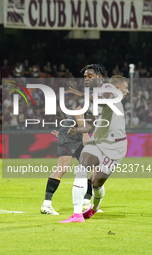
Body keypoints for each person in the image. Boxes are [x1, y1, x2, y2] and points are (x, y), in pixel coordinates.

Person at [60, 75, 129, 223]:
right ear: (117, 88)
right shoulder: (100, 98)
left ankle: (94, 208)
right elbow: (90, 125)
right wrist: (78, 130)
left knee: (97, 183)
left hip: (116, 146)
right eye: (126, 87)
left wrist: (82, 94)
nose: (127, 91)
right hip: (97, 141)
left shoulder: (113, 99)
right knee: (82, 168)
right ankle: (77, 214)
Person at [41, 64, 106, 215]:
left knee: (95, 167)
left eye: (90, 76)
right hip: (74, 132)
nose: (87, 79)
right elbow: (78, 112)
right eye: (85, 77)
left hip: (76, 133)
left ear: (100, 77)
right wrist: (82, 134)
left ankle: (85, 203)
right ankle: (46, 205)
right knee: (63, 167)